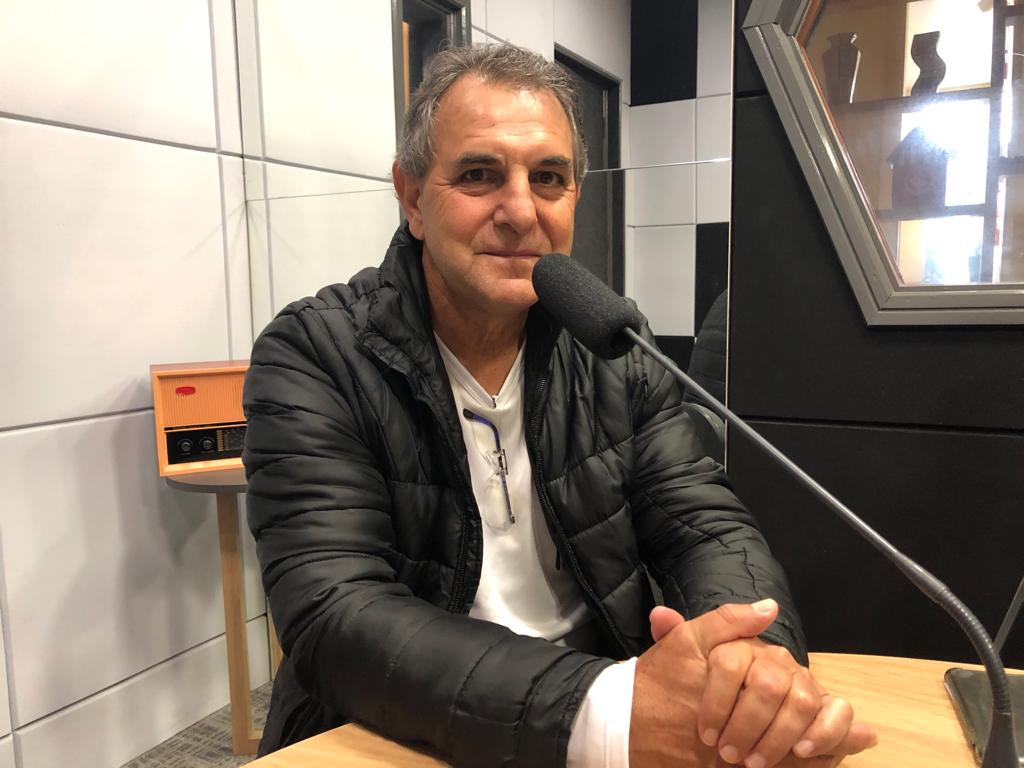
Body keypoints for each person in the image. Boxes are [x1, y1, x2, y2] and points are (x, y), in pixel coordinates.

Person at [242, 43, 877, 768]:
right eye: (479, 175)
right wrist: (605, 711)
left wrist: (752, 660)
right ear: (412, 198)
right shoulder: (315, 353)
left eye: (548, 178)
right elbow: (335, 612)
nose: (521, 211)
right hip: (398, 732)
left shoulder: (614, 348)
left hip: (599, 716)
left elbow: (706, 529)